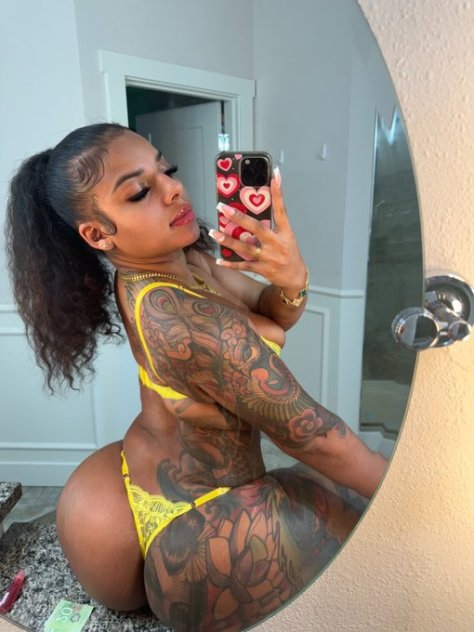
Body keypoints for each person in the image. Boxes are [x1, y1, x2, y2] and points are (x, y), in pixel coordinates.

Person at [5, 123, 387, 632]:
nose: (173, 188)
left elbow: (271, 313)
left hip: (120, 486)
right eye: (140, 192)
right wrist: (408, 489)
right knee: (373, 540)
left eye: (167, 169)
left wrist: (292, 278)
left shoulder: (173, 265)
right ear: (97, 234)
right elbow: (315, 437)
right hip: (195, 529)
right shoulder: (179, 316)